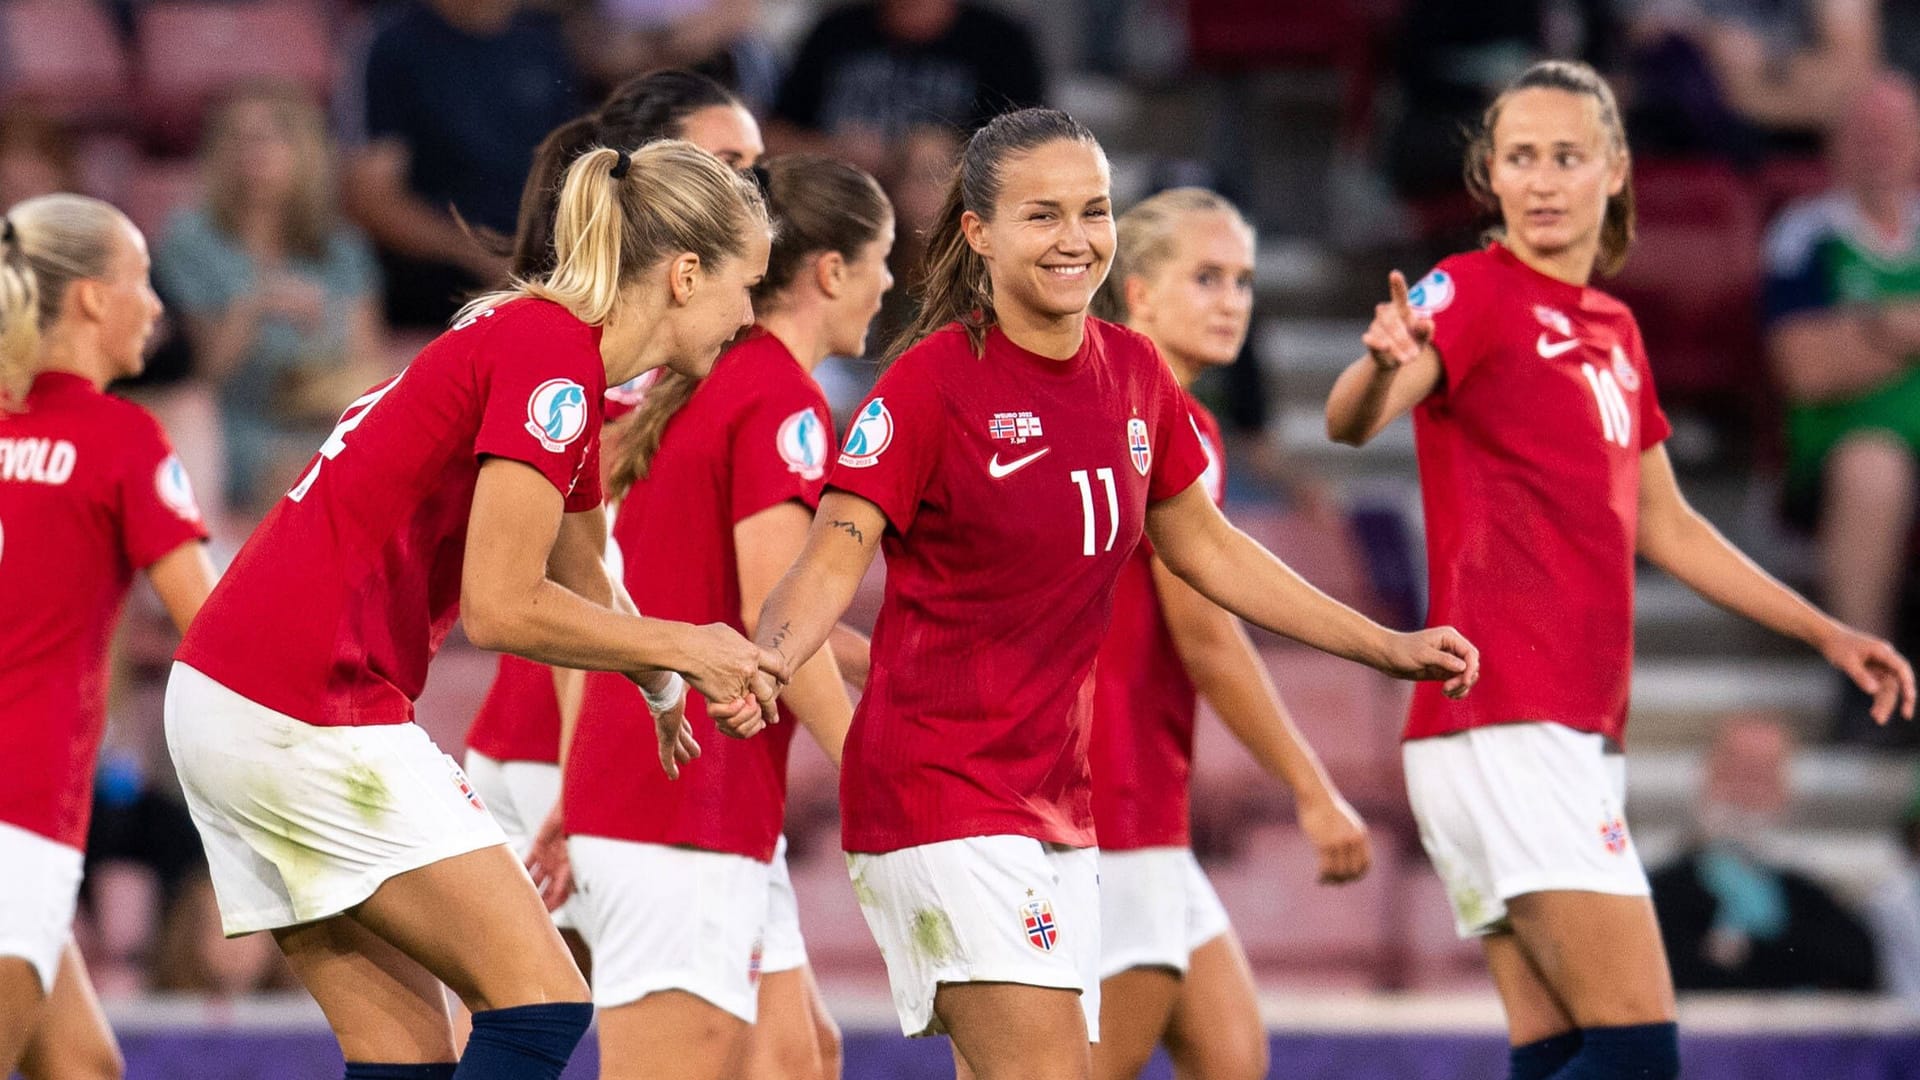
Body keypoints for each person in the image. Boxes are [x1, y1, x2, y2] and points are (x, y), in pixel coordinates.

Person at [749, 107, 1480, 1080]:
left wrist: (1385, 644)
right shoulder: (927, 386)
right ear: (979, 233)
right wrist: (760, 664)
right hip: (938, 792)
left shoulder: (1134, 376)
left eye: (1092, 211)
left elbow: (1211, 552)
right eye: (1042, 215)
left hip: (1056, 803)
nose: (1075, 238)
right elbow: (826, 565)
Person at [1325, 59, 1914, 1080]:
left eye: (1566, 155)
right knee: (1638, 1056)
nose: (1544, 179)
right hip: (1507, 715)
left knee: (1558, 1054)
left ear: (1614, 170)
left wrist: (1825, 630)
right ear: (1491, 177)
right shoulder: (1465, 288)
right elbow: (1354, 415)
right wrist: (1378, 363)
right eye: (1520, 157)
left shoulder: (1616, 332)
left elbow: (1669, 525)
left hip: (1541, 730)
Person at [163, 140, 780, 1080]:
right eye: (747, 286)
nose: (749, 315)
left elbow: (581, 567)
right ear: (687, 274)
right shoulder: (551, 362)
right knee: (540, 1003)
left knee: (403, 1050)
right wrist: (687, 644)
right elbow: (502, 607)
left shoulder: (538, 344)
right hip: (307, 704)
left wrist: (662, 681)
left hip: (229, 698)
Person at [562, 153, 893, 1080]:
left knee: (801, 1058)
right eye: (884, 260)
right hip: (683, 805)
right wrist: (881, 774)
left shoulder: (710, 380)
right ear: (832, 272)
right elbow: (774, 618)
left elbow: (713, 592)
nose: (891, 285)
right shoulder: (783, 400)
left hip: (670, 793)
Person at [460, 60, 763, 988]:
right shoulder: (589, 370)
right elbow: (538, 590)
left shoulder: (566, 347)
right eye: (724, 163)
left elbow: (586, 563)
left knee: (529, 1021)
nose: (748, 186)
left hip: (565, 733)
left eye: (757, 168)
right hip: (583, 746)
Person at [1084, 187, 1371, 1080]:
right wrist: (1311, 787)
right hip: (1113, 801)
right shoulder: (1159, 420)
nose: (1231, 300)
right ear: (1137, 293)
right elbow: (1206, 637)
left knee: (1232, 1058)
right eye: (1204, 277)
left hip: (1133, 800)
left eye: (1243, 280)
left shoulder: (1139, 410)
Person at [0, 193, 218, 1077]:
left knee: (84, 1066)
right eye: (142, 279)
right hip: (22, 807)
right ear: (92, 298)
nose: (158, 305)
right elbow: (218, 629)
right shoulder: (120, 439)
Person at [1762, 72, 1920, 743]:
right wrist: (1899, 328)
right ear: (1837, 146)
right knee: (1872, 471)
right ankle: (1865, 681)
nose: (1881, 147)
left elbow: (1834, 349)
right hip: (1844, 443)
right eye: (1866, 133)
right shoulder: (1805, 236)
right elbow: (1804, 367)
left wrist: (1863, 332)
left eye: (1896, 132)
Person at [157, 81, 386, 513]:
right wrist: (252, 308)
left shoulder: (342, 248)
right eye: (238, 138)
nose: (254, 151)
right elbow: (199, 376)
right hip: (230, 429)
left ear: (305, 152)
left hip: (323, 424)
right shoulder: (191, 242)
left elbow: (368, 370)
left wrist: (324, 334)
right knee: (307, 473)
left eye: (273, 135)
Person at [343, 0, 584, 328]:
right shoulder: (394, 43)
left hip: (544, 279)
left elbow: (573, 166)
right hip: (434, 298)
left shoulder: (542, 40)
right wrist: (480, 255)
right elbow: (371, 198)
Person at [1649, 715, 1879, 992]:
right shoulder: (1657, 892)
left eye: (1764, 774)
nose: (1748, 790)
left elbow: (1856, 969)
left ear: (1787, 787)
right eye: (1738, 770)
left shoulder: (1814, 899)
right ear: (1705, 775)